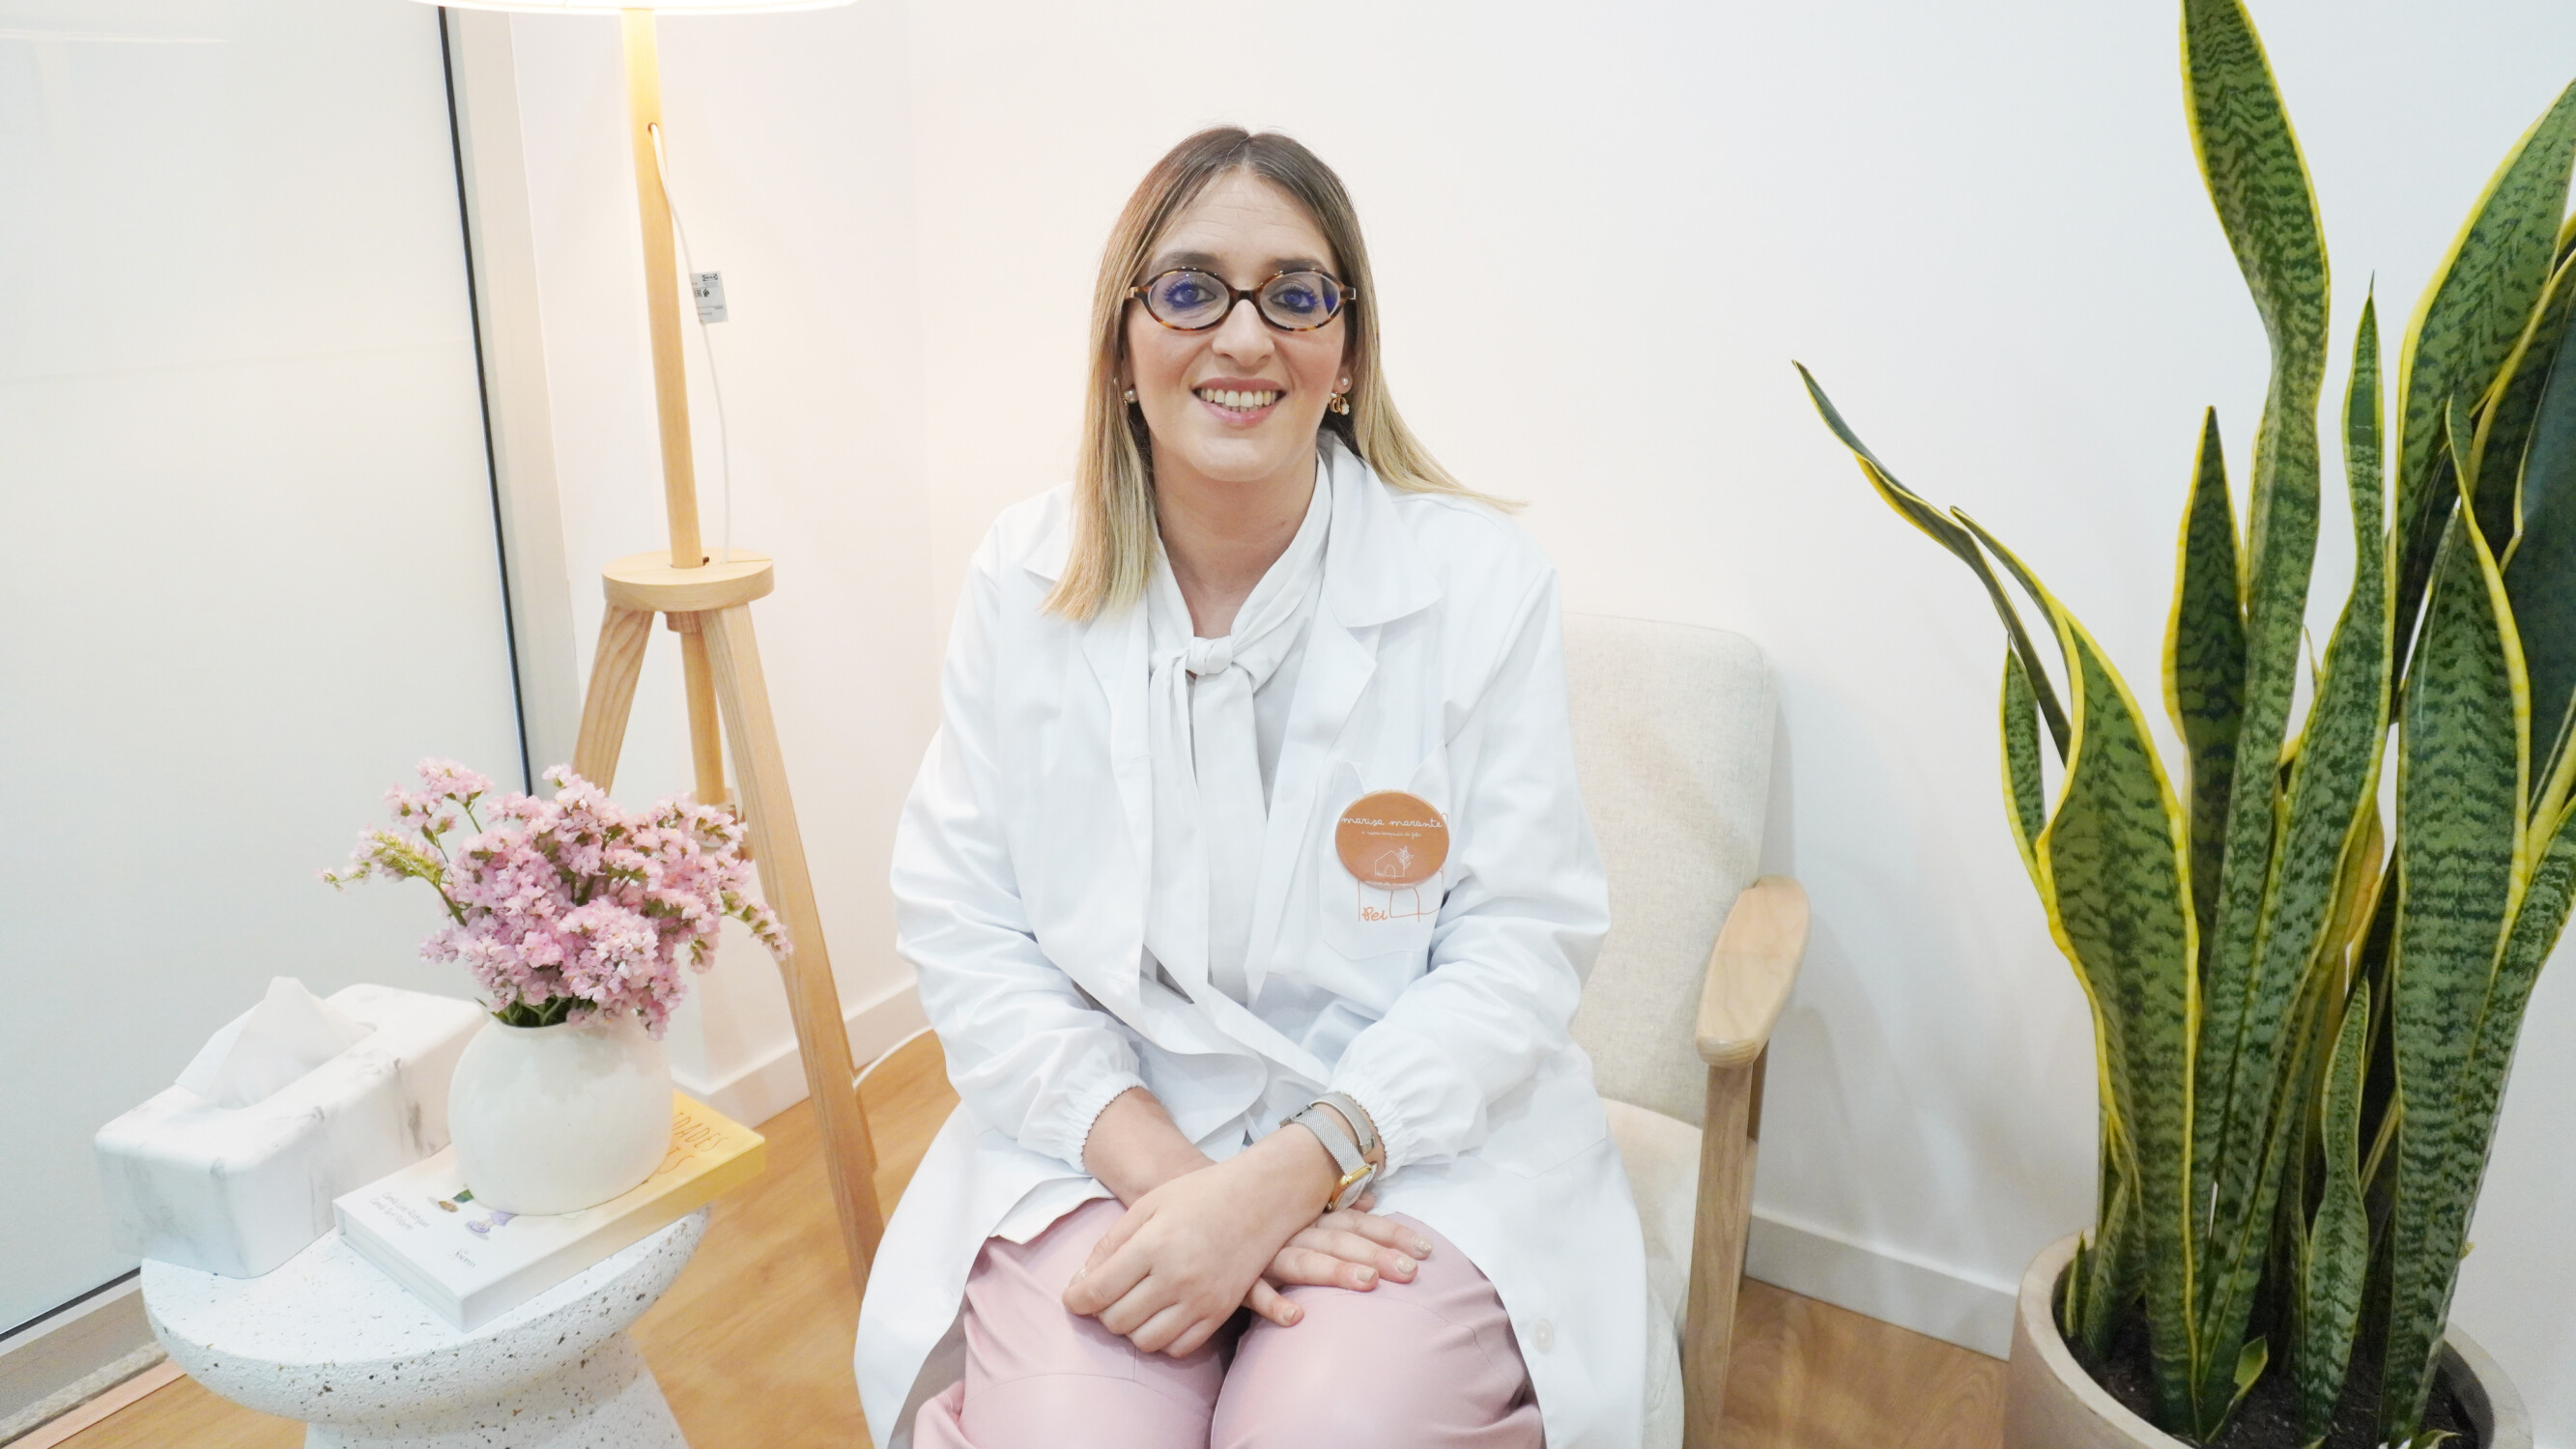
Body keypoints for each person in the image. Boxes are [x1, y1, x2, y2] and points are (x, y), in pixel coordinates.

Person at [856, 127, 1646, 1449]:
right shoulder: (1021, 574)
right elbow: (967, 925)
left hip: (1408, 1144)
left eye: (1295, 295)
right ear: (1121, 349)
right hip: (1108, 1128)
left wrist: (1292, 1175)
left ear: (1348, 356)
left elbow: (1519, 941)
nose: (1242, 336)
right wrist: (1189, 1192)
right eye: (1187, 290)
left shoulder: (1477, 586)